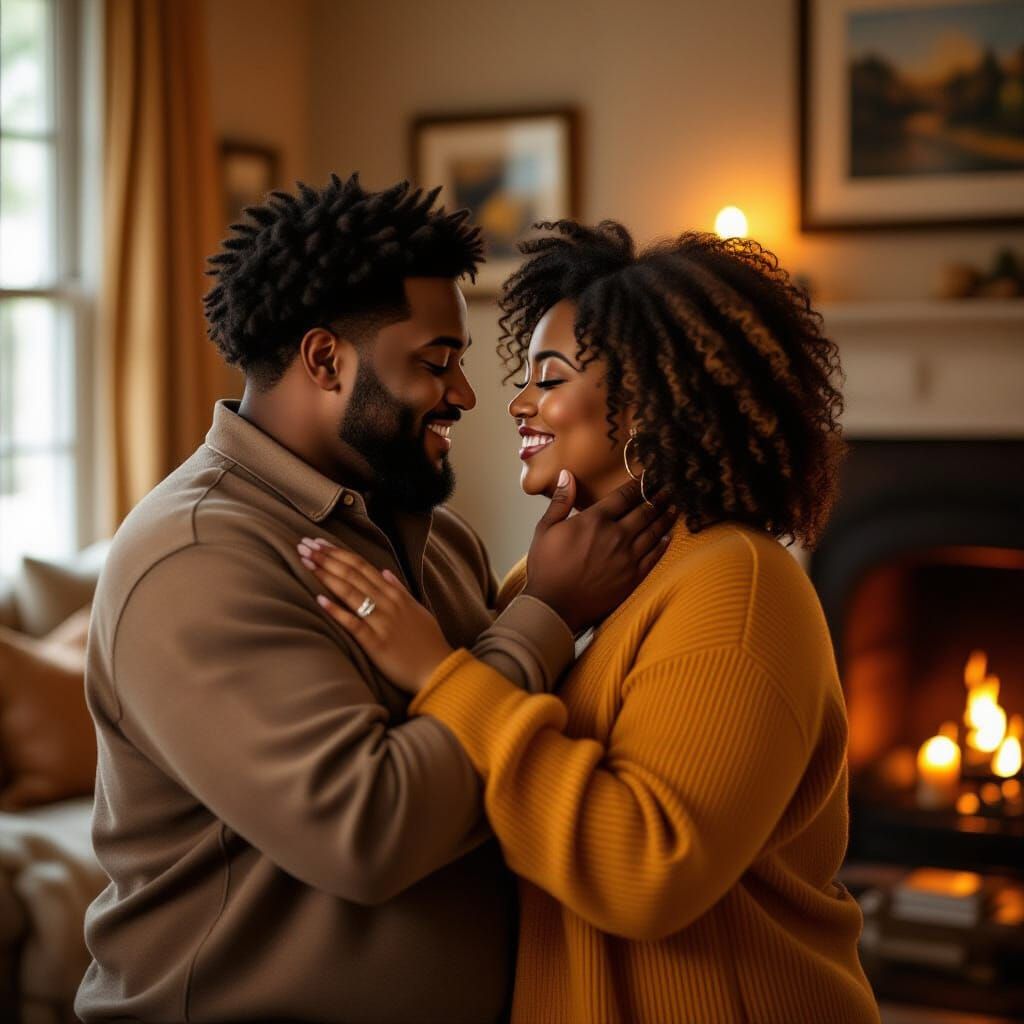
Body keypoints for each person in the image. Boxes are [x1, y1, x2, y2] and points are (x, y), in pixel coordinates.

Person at [75, 183, 674, 1024]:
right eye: (435, 362)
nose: (465, 394)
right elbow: (368, 832)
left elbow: (526, 763)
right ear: (325, 360)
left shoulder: (442, 538)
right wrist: (545, 615)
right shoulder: (198, 557)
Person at [303, 221, 882, 1024]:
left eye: (549, 378)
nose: (518, 403)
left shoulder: (738, 585)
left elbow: (649, 875)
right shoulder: (544, 582)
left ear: (651, 400)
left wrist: (441, 674)